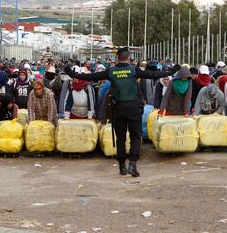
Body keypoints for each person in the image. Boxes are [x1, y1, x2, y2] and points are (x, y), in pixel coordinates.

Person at [64, 47, 180, 177]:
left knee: (120, 138)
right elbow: (153, 74)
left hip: (117, 108)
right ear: (128, 58)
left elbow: (91, 76)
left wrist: (72, 73)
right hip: (133, 107)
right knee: (136, 136)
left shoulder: (111, 71)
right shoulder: (134, 70)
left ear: (117, 58)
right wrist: (172, 70)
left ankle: (122, 166)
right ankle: (133, 164)